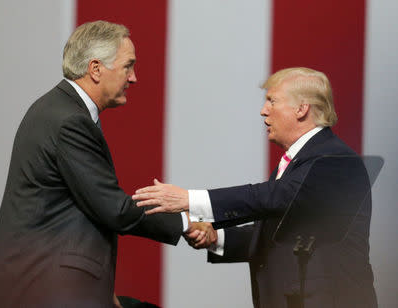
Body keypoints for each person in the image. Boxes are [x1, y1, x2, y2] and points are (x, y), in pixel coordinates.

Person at [0, 20, 194, 308]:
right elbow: (114, 209)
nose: (134, 78)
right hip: (43, 290)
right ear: (95, 69)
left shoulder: (54, 109)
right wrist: (186, 223)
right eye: (128, 66)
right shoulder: (70, 122)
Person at [133, 67, 377, 308]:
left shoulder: (334, 159)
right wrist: (216, 237)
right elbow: (283, 235)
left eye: (272, 101)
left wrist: (190, 199)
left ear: (301, 109)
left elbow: (274, 197)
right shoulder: (301, 160)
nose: (263, 111)